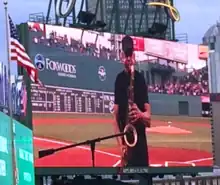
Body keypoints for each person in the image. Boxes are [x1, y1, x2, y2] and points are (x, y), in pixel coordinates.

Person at [113, 35, 151, 167]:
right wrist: (121, 145)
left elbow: (149, 119)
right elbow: (115, 118)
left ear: (134, 56)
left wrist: (140, 114)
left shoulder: (140, 79)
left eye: (130, 55)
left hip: (140, 145)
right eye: (126, 55)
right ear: (122, 56)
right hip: (126, 145)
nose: (128, 59)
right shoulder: (119, 80)